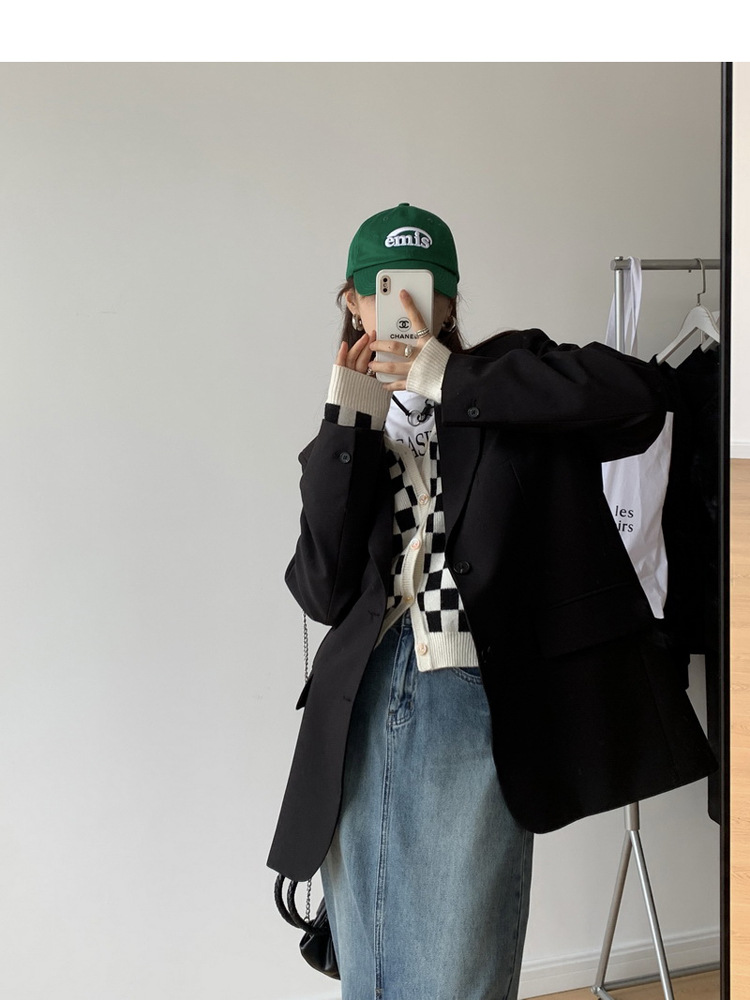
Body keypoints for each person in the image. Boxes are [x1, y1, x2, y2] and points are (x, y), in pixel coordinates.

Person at [267, 203, 717, 1000]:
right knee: (369, 965)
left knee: (457, 966)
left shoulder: (511, 380)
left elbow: (643, 397)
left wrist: (448, 378)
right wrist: (347, 418)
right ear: (353, 303)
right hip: (358, 705)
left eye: (421, 290)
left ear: (448, 302)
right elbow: (322, 590)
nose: (401, 308)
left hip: (470, 693)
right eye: (381, 290)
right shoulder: (353, 425)